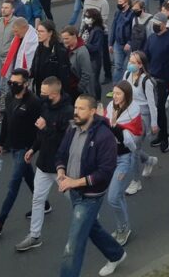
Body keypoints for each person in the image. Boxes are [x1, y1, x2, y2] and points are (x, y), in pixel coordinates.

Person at [54, 95, 127, 277]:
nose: (76, 112)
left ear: (93, 111)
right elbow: (61, 153)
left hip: (90, 197)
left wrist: (75, 182)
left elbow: (104, 173)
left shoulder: (105, 137)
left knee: (73, 244)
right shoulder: (73, 128)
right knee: (91, 227)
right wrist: (61, 171)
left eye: (81, 109)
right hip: (74, 192)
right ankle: (116, 253)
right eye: (76, 108)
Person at [19, 75, 74, 252]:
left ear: (54, 94)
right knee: (37, 199)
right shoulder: (45, 106)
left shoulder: (68, 112)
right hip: (43, 164)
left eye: (43, 93)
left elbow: (65, 142)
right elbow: (41, 135)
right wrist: (33, 149)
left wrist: (46, 128)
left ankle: (90, 224)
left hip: (61, 168)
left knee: (75, 200)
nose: (40, 95)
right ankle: (34, 235)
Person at [0, 68, 40, 237]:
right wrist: (1, 143)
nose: (12, 86)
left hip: (25, 148)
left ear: (26, 84)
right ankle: (44, 204)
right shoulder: (9, 97)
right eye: (10, 82)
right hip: (14, 145)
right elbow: (7, 121)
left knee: (13, 185)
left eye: (16, 83)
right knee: (28, 176)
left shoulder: (33, 102)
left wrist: (32, 149)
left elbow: (39, 130)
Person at [104, 80, 144, 245]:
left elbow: (131, 141)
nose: (115, 96)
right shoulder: (110, 107)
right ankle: (122, 227)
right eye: (114, 93)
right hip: (110, 156)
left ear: (127, 95)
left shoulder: (133, 112)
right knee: (117, 195)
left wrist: (116, 129)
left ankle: (124, 228)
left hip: (124, 158)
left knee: (113, 197)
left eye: (119, 93)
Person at [142, 13, 169, 153]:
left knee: (159, 108)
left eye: (156, 23)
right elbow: (146, 55)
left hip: (164, 80)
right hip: (152, 79)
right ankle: (161, 135)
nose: (154, 25)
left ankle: (164, 137)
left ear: (164, 24)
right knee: (155, 107)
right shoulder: (152, 38)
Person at [124, 51, 159, 192]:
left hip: (142, 117)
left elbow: (152, 105)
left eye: (133, 62)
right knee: (132, 147)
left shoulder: (147, 81)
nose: (130, 64)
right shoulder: (127, 75)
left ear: (141, 65)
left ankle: (135, 182)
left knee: (133, 151)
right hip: (129, 114)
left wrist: (154, 124)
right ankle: (149, 160)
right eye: (130, 61)